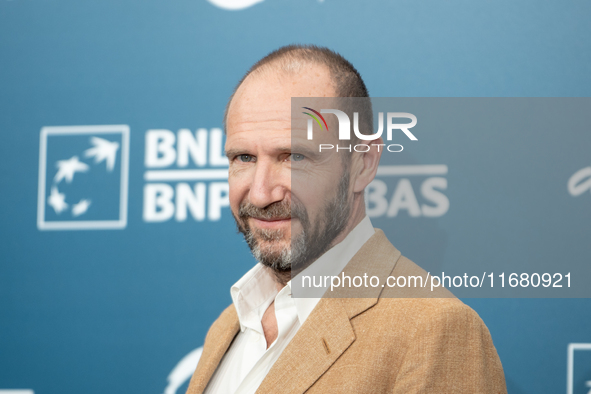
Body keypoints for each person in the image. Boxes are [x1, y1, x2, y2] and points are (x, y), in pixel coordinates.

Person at [187, 44, 506, 394]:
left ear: (362, 164)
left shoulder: (434, 330)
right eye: (244, 157)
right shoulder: (229, 325)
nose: (262, 194)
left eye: (294, 156)